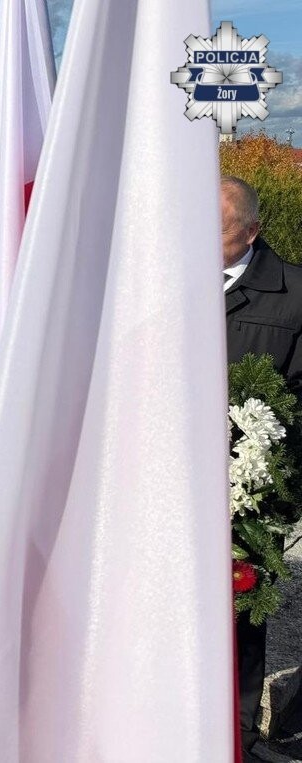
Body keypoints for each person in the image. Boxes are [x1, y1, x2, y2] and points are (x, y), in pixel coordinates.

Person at [221, 175, 302, 752]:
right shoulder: (165, 275)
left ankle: (236, 736)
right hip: (165, 482)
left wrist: (265, 463)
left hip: (252, 492)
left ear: (253, 231)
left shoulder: (294, 294)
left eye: (219, 228)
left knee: (241, 617)